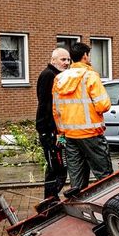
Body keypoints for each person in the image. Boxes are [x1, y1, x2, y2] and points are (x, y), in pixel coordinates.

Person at [52, 42, 113, 196]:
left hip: (70, 136)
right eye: (89, 55)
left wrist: (62, 133)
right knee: (105, 176)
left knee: (77, 178)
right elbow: (103, 105)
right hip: (91, 134)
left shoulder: (59, 79)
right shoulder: (90, 76)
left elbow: (56, 110)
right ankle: (111, 204)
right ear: (85, 56)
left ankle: (77, 208)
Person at [35, 47, 70, 202]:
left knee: (60, 166)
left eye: (68, 60)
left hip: (59, 132)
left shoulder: (59, 76)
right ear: (53, 60)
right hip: (50, 132)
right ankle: (49, 202)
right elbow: (45, 104)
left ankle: (51, 200)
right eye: (63, 59)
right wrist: (46, 130)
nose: (67, 63)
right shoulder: (48, 75)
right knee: (56, 167)